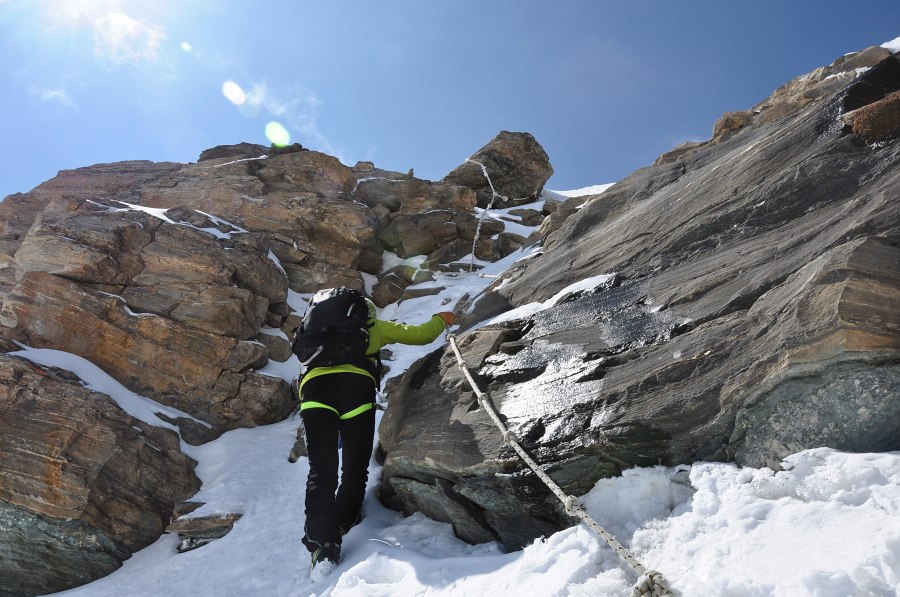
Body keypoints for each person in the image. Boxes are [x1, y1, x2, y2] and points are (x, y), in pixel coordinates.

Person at [299, 295, 456, 579]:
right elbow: (420, 335)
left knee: (320, 471)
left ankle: (322, 547)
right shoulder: (373, 325)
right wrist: (441, 320)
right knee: (354, 469)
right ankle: (344, 523)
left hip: (314, 391)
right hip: (355, 390)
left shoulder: (316, 328)